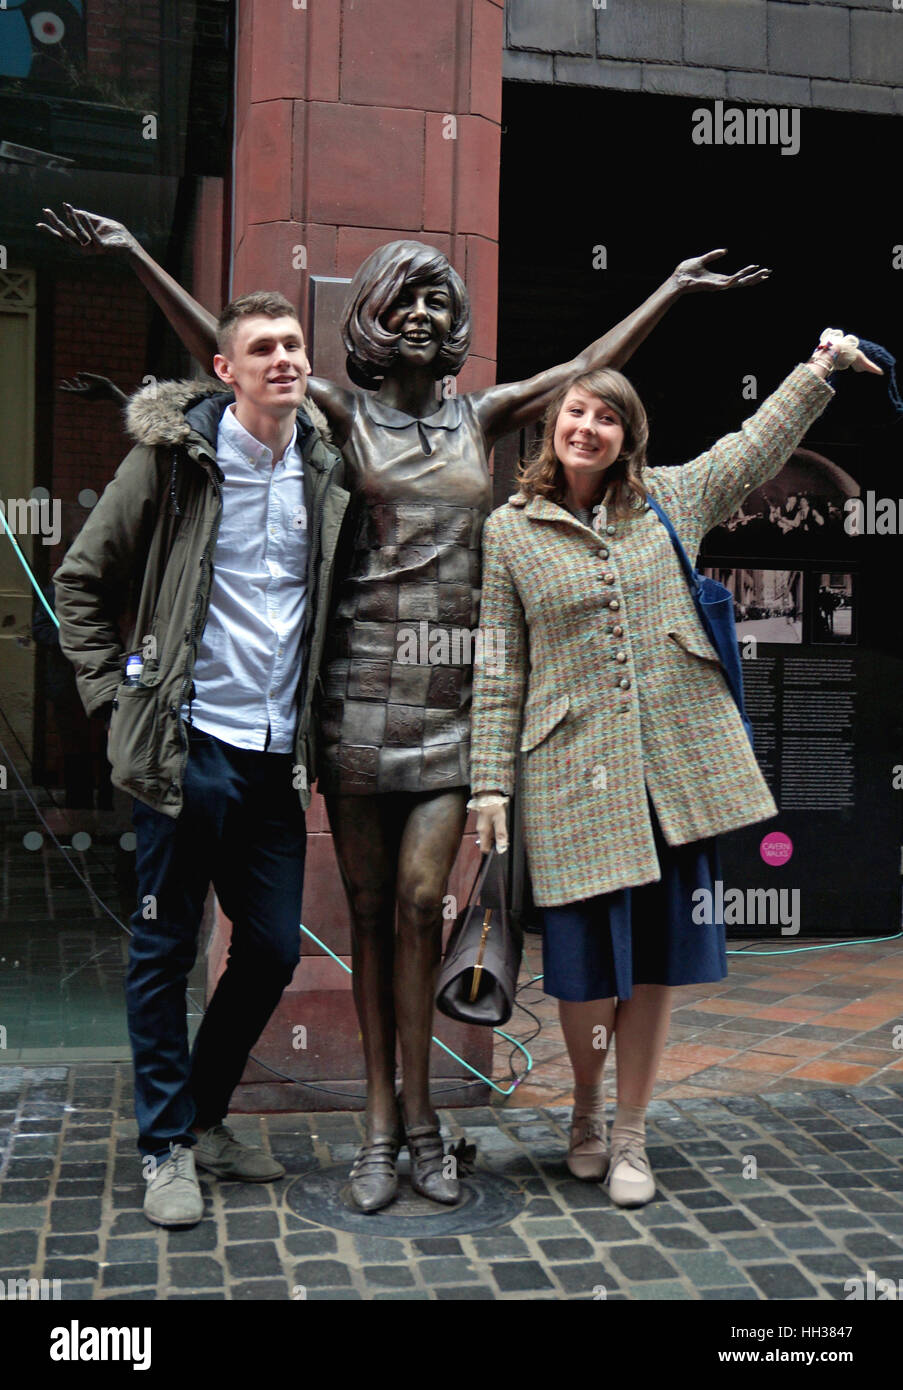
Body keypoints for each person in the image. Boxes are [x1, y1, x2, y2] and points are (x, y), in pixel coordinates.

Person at [38, 204, 771, 1212]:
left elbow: (584, 369)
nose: (423, 312)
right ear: (375, 318)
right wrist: (133, 259)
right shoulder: (341, 415)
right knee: (374, 915)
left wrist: (671, 293)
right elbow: (234, 348)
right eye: (403, 297)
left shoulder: (481, 418)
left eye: (438, 296)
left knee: (424, 906)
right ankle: (381, 1129)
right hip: (352, 707)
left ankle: (424, 1121)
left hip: (450, 707)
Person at [468, 330, 881, 1207]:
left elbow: (752, 448)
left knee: (653, 964)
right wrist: (489, 785)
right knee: (581, 974)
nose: (589, 427)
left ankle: (630, 1135)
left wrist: (818, 370)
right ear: (551, 428)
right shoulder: (509, 532)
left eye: (607, 417)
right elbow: (500, 663)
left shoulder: (669, 499)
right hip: (569, 779)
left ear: (628, 435)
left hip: (670, 781)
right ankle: (583, 1110)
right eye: (577, 412)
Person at [53, 292, 349, 1227]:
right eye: (261, 348)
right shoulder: (174, 463)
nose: (283, 360)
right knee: (163, 948)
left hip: (274, 756)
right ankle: (165, 1147)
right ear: (224, 370)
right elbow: (82, 585)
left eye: (294, 345)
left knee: (266, 951)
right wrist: (117, 703)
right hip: (188, 749)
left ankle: (206, 1114)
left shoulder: (323, 465)